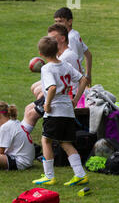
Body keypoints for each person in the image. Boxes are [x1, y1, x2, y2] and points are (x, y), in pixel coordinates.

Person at [32, 36, 89, 186]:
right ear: (58, 50)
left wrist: (47, 104)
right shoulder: (66, 65)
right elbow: (83, 79)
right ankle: (80, 174)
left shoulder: (46, 68)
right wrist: (76, 100)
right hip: (68, 111)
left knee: (46, 140)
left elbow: (52, 88)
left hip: (55, 111)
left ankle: (49, 176)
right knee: (66, 143)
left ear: (41, 53)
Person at [24, 24, 82, 134]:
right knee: (30, 106)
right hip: (62, 95)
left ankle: (20, 142)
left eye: (53, 38)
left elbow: (53, 87)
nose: (51, 42)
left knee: (30, 114)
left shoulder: (65, 57)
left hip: (61, 99)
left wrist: (48, 103)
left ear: (62, 38)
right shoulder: (64, 55)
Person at [53, 7, 92, 86]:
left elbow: (74, 62)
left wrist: (83, 80)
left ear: (70, 22)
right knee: (36, 87)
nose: (57, 24)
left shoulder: (71, 38)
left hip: (72, 81)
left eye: (60, 21)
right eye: (55, 21)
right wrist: (88, 75)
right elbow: (88, 55)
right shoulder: (74, 34)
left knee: (38, 89)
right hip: (73, 77)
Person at [0, 102, 35, 171]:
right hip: (26, 160)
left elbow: (1, 151)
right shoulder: (13, 122)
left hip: (20, 162)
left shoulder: (6, 127)